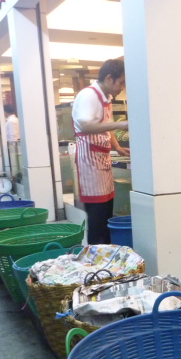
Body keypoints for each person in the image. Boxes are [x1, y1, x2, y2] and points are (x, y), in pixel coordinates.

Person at [72, 58, 130, 245]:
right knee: (97, 216)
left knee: (106, 211)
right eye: (121, 82)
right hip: (90, 160)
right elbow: (85, 125)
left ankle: (105, 249)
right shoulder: (88, 95)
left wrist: (117, 147)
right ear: (109, 78)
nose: (122, 87)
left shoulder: (107, 97)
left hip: (102, 159)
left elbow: (107, 125)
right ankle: (96, 251)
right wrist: (121, 124)